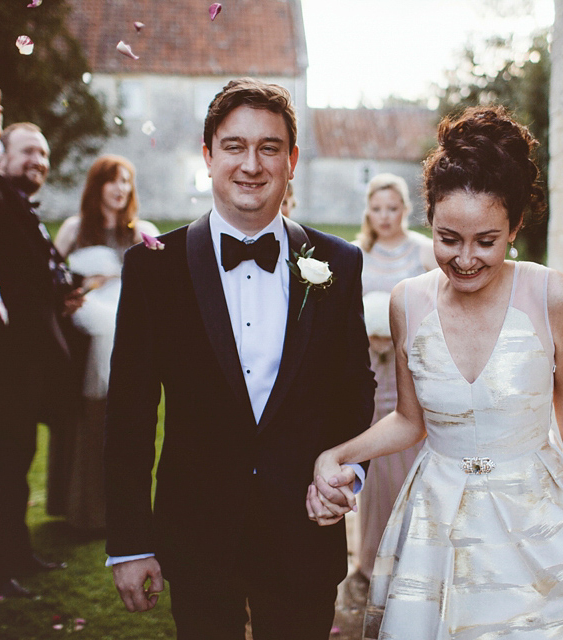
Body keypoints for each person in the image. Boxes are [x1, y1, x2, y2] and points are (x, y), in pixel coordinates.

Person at [310, 106, 563, 639]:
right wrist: (340, 453)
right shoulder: (408, 301)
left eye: (486, 241)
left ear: (515, 225)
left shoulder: (552, 294)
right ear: (429, 220)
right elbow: (408, 420)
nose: (465, 259)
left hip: (535, 512)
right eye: (449, 238)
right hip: (438, 520)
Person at [103, 77, 376, 640]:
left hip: (303, 531)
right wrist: (129, 543)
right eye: (234, 146)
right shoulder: (154, 268)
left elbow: (355, 389)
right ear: (207, 156)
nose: (251, 164)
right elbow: (129, 413)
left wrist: (347, 472)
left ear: (292, 160)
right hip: (197, 531)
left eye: (269, 147)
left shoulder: (338, 263)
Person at [0, 81, 82, 598]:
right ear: (2, 155)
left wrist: (63, 290)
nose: (39, 160)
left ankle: (17, 552)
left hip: (25, 362)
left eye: (44, 154)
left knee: (18, 456)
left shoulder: (26, 210)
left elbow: (32, 275)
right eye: (29, 150)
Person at [47, 155, 158, 532]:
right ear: (97, 186)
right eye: (113, 180)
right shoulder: (74, 229)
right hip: (89, 329)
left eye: (126, 181)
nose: (120, 188)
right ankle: (85, 506)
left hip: (128, 325)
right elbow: (54, 281)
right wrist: (88, 282)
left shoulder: (141, 231)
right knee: (92, 416)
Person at [351, 173, 436, 583]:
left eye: (393, 208)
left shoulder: (422, 251)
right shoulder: (356, 252)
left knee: (411, 456)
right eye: (377, 208)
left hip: (410, 365)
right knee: (377, 463)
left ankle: (411, 555)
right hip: (368, 365)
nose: (385, 216)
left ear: (405, 209)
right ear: (368, 211)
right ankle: (370, 557)